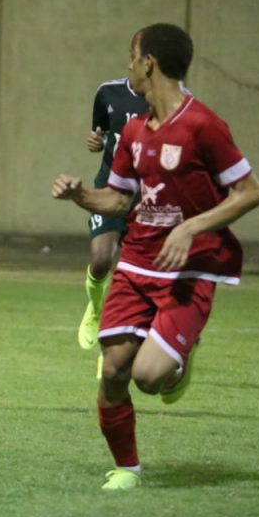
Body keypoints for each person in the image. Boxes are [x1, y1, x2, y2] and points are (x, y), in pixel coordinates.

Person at [51, 24, 259, 490]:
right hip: (136, 265)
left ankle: (178, 361)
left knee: (148, 377)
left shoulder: (203, 125)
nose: (128, 65)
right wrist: (80, 195)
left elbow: (250, 192)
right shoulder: (133, 131)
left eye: (132, 56)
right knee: (113, 369)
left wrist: (190, 227)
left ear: (149, 63)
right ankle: (126, 469)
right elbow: (118, 199)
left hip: (189, 271)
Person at [77, 78, 151, 358]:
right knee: (101, 259)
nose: (132, 64)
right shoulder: (108, 92)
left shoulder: (170, 98)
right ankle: (96, 308)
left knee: (136, 271)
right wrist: (96, 142)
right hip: (109, 188)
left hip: (149, 195)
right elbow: (101, 135)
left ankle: (119, 339)